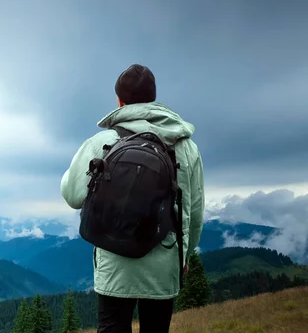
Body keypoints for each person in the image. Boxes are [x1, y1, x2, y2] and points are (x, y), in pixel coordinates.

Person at [60, 64, 205, 333]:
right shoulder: (186, 147)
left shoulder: (103, 141)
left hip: (114, 261)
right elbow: (194, 212)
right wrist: (185, 257)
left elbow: (72, 195)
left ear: (119, 101)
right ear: (153, 97)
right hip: (164, 260)